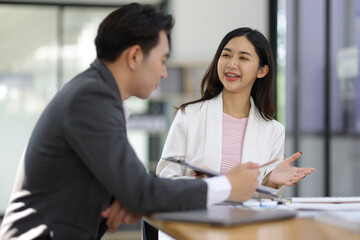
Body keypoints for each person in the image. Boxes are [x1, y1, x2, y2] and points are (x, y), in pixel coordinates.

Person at [0, 4, 262, 240]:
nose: (163, 71)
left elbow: (131, 184)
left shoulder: (97, 94)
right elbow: (140, 190)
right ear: (135, 56)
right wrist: (227, 185)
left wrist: (125, 197)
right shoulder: (91, 98)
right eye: (162, 60)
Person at [156, 27, 315, 198]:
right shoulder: (190, 115)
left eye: (243, 58)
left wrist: (271, 181)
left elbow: (264, 200)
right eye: (226, 55)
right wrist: (203, 185)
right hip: (198, 221)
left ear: (261, 71)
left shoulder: (273, 130)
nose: (231, 64)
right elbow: (164, 179)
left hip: (246, 223)